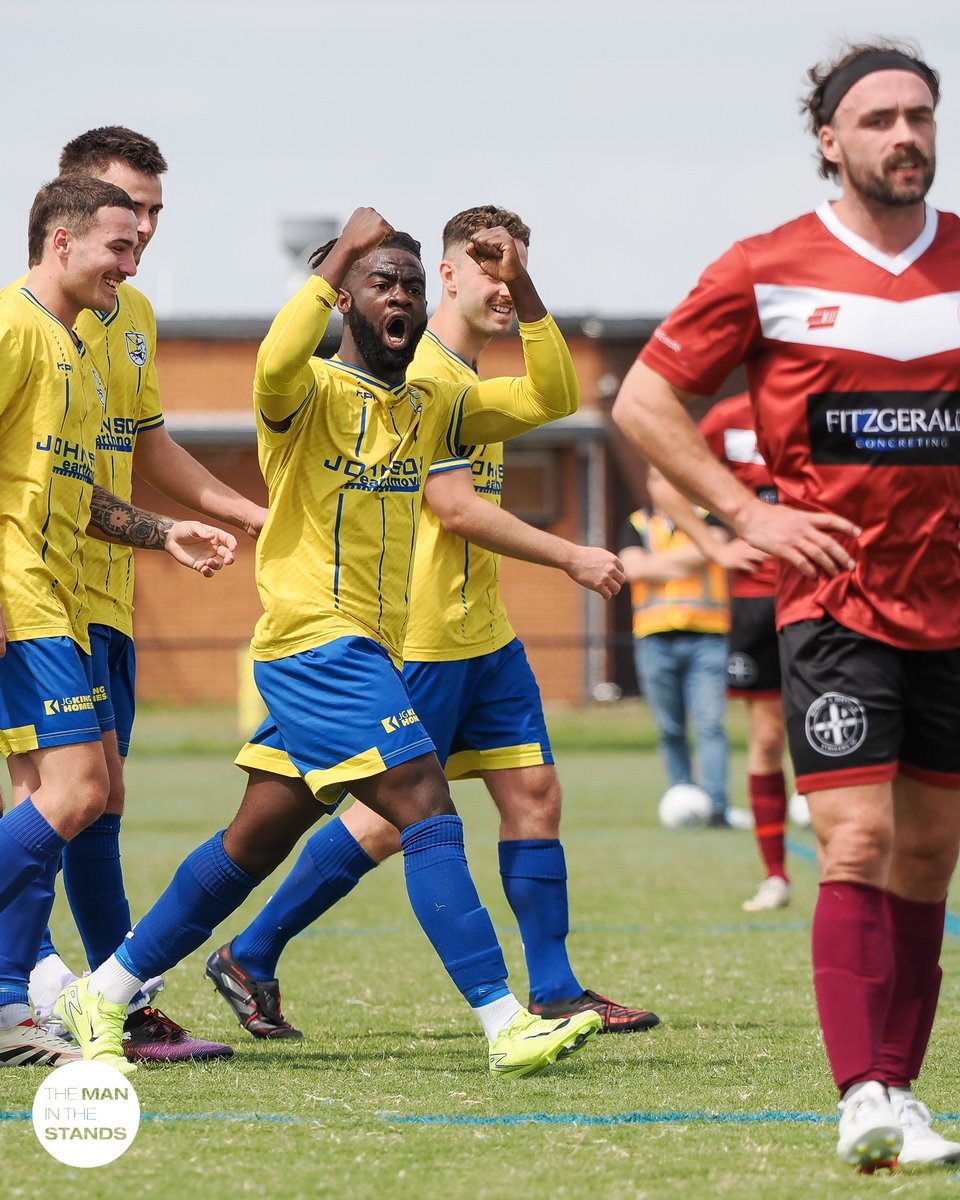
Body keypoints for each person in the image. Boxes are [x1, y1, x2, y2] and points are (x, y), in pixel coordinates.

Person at [55, 207, 603, 1081]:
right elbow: (273, 360)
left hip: (356, 657)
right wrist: (343, 248)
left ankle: (108, 988)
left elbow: (553, 398)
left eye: (413, 285)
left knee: (254, 840)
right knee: (425, 804)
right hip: (317, 645)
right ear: (344, 299)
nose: (402, 297)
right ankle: (505, 1020)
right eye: (380, 282)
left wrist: (522, 288)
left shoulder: (430, 401)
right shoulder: (305, 393)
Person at [611, 40, 960, 1169]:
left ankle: (900, 1092)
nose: (903, 137)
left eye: (920, 116)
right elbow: (645, 400)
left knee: (929, 857)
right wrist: (743, 519)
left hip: (952, 610)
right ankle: (860, 1091)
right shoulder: (769, 265)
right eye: (878, 120)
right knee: (856, 841)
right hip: (833, 603)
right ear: (830, 141)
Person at [205, 205, 658, 1039]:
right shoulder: (417, 374)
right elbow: (452, 506)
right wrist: (570, 556)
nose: (500, 284)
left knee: (533, 794)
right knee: (385, 822)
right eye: (486, 268)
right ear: (443, 275)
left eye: (512, 267)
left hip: (483, 628)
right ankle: (250, 950)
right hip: (416, 636)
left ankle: (554, 988)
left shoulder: (458, 375)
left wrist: (525, 287)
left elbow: (556, 394)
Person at [11, 126, 270, 1066]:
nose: (146, 234)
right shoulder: (28, 324)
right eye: (130, 217)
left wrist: (210, 522)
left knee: (94, 800)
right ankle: (55, 993)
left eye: (155, 216)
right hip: (30, 593)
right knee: (65, 795)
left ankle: (80, 998)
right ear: (71, 219)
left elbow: (115, 467)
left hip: (98, 590)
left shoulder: (113, 325)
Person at [697, 394, 791, 910]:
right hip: (758, 604)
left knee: (834, 736)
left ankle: (851, 871)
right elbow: (664, 480)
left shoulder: (824, 399)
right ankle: (776, 875)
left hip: (828, 595)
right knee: (769, 737)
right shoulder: (727, 418)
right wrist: (715, 547)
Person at [618, 469, 731, 825]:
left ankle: (716, 807)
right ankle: (684, 800)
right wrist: (693, 557)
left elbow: (714, 548)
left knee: (710, 724)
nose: (664, 485)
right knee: (669, 728)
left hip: (707, 634)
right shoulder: (635, 523)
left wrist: (657, 566)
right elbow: (633, 570)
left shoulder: (707, 516)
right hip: (654, 637)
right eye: (655, 478)